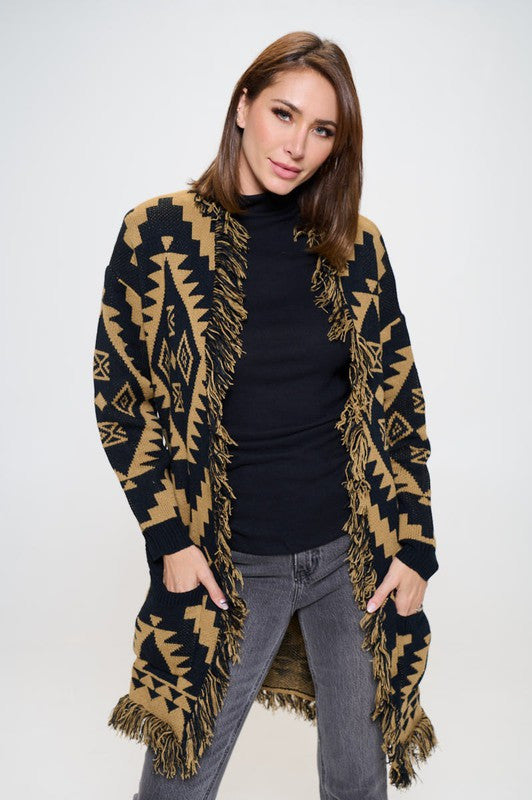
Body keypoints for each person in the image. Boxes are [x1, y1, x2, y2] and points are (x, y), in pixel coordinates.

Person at [93, 31, 439, 800]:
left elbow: (398, 402)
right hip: (230, 565)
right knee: (179, 781)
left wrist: (415, 544)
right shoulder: (158, 235)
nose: (297, 146)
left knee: (358, 780)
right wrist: (170, 540)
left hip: (352, 559)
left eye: (322, 130)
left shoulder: (356, 246)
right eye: (284, 113)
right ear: (243, 106)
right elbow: (120, 399)